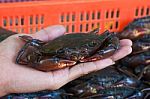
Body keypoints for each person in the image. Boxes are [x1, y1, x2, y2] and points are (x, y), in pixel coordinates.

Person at [0, 25, 132, 97]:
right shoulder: (40, 50)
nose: (77, 55)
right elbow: (32, 59)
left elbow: (112, 39)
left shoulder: (101, 40)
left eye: (90, 45)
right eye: (66, 52)